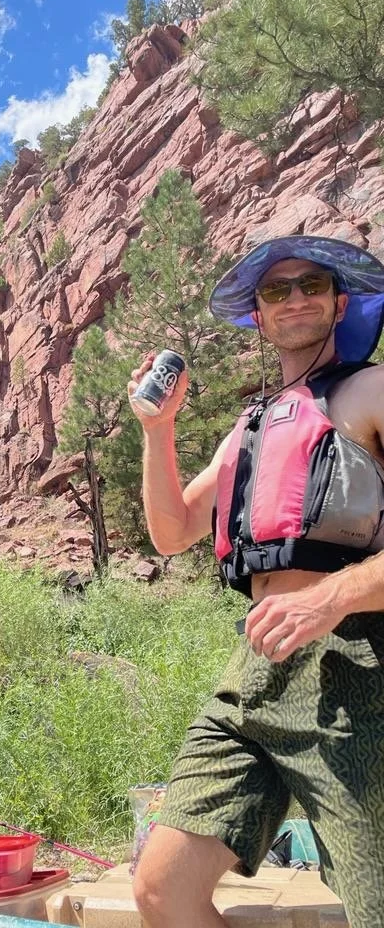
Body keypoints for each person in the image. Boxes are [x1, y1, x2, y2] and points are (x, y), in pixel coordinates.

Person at [127, 234, 384, 928]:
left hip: (360, 662)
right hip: (255, 670)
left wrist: (335, 595)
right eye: (276, 291)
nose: (294, 298)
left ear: (339, 303)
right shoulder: (249, 428)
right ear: (259, 318)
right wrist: (158, 428)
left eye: (311, 286)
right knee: (162, 888)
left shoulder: (372, 391)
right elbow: (173, 530)